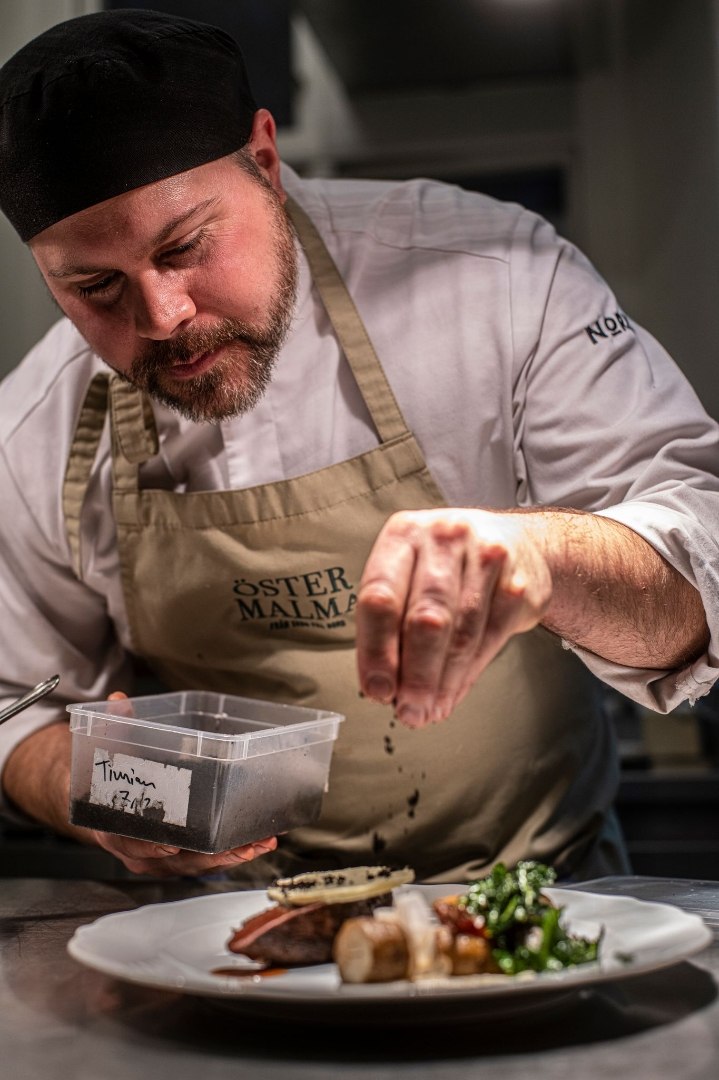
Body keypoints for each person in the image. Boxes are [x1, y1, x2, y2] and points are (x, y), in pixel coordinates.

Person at [0, 9, 717, 884]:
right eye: (95, 286)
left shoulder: (498, 281)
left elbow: (698, 573)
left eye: (185, 246)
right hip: (228, 932)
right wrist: (92, 785)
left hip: (540, 901)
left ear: (266, 161)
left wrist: (544, 557)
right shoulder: (36, 424)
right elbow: (13, 707)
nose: (162, 316)